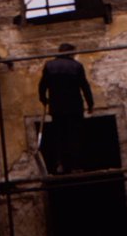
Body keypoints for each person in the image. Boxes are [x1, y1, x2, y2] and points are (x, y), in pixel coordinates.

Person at [38, 42, 94, 173]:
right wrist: (90, 104)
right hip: (74, 107)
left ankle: (60, 163)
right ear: (70, 52)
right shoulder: (77, 66)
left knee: (59, 136)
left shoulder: (49, 66)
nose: (75, 56)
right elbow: (85, 87)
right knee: (74, 136)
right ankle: (75, 166)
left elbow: (42, 85)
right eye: (74, 53)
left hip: (57, 107)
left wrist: (44, 99)